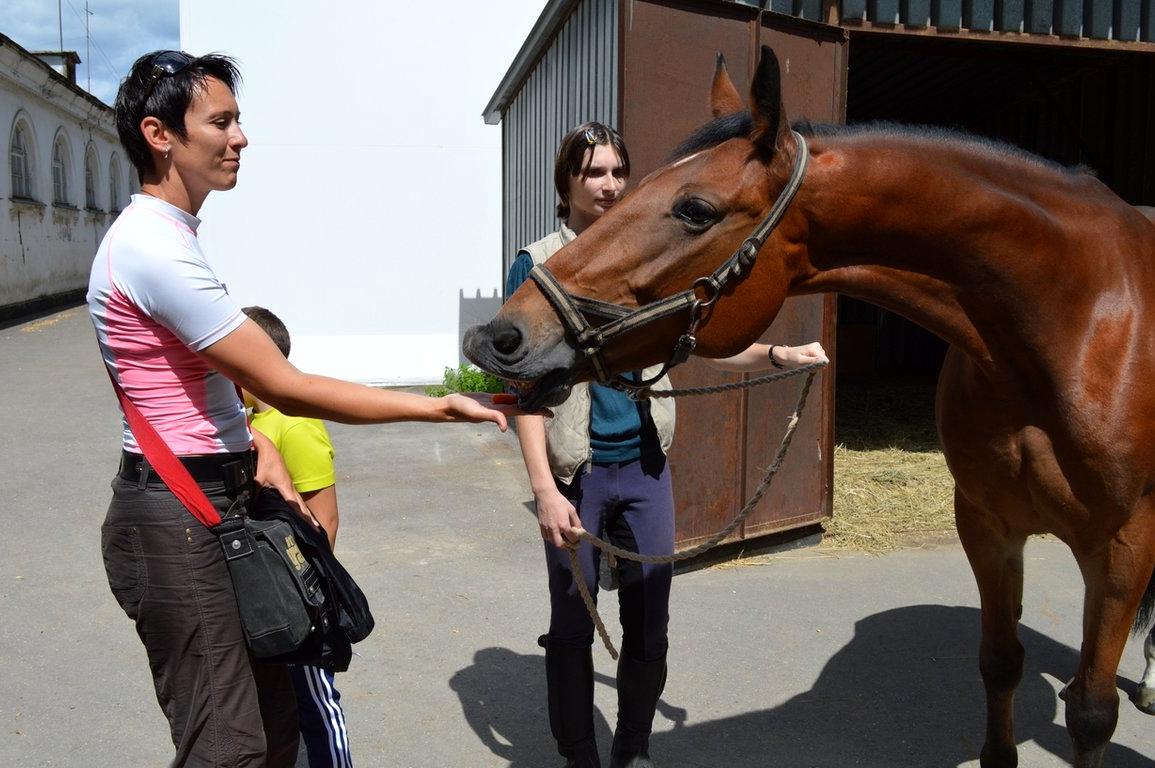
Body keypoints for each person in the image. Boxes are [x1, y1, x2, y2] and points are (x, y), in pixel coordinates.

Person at [88, 51, 522, 768]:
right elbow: (283, 385)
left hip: (216, 501)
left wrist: (254, 445)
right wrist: (437, 408)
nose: (240, 138)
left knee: (274, 723)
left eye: (238, 120)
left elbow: (206, 386)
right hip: (179, 518)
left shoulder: (169, 241)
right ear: (159, 134)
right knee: (228, 749)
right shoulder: (150, 248)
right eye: (220, 122)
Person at [505, 121, 826, 768]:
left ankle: (632, 751)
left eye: (618, 171)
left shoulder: (647, 251)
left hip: (644, 469)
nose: (608, 184)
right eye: (593, 171)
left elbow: (702, 341)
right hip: (577, 475)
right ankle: (580, 758)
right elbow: (523, 390)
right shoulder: (538, 262)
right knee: (571, 628)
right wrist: (544, 490)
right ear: (566, 181)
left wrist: (776, 354)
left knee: (649, 626)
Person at [241, 306, 351, 768]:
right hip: (267, 588)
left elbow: (324, 521)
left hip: (298, 594)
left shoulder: (295, 424)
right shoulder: (249, 423)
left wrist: (303, 598)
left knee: (315, 699)